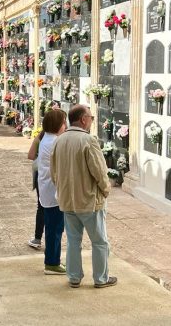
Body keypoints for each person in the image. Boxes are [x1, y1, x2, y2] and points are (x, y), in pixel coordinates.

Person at [50, 105, 117, 289]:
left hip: (67, 201)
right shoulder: (88, 140)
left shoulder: (59, 140)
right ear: (83, 119)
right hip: (89, 201)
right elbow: (99, 171)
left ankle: (74, 277)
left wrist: (63, 191)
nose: (92, 120)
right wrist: (106, 190)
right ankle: (101, 279)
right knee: (99, 241)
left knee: (73, 241)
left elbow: (53, 172)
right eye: (91, 117)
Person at [38, 109, 67, 275]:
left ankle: (53, 258)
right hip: (53, 192)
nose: (65, 125)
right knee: (55, 229)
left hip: (48, 190)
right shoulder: (55, 142)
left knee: (53, 227)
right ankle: (51, 262)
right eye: (63, 122)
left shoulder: (48, 138)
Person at [27, 129, 45, 249]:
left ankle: (37, 238)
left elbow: (31, 155)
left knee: (42, 206)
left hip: (41, 173)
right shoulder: (62, 137)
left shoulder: (42, 136)